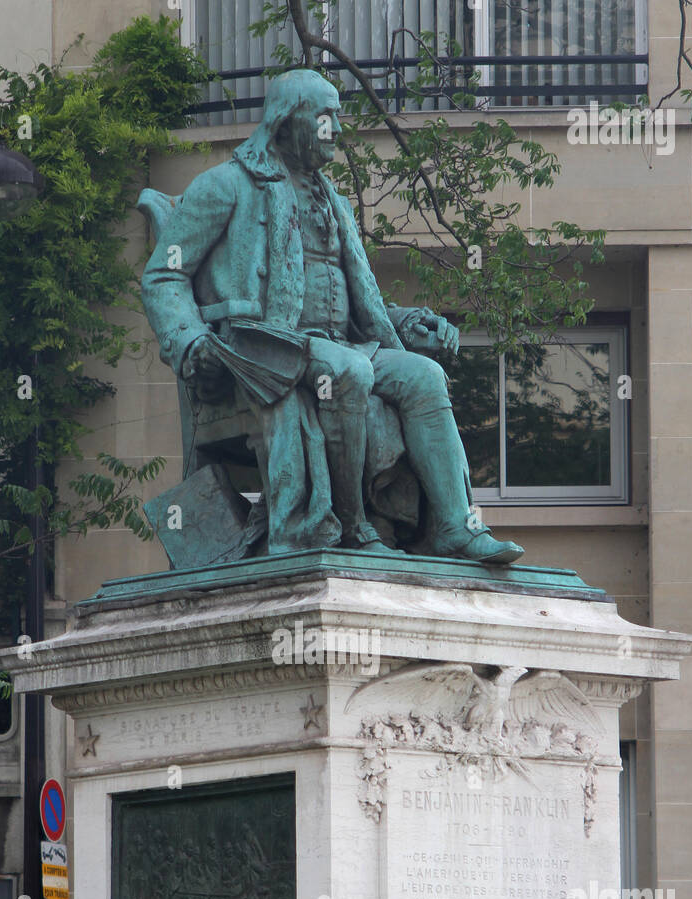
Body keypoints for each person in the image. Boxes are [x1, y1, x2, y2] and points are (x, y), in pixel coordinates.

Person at [140, 68, 523, 566]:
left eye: (337, 117)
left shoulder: (334, 201)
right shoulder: (226, 186)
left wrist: (405, 323)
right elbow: (164, 276)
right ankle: (351, 526)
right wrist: (190, 342)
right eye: (326, 117)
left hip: (344, 344)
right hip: (265, 348)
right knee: (350, 372)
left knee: (425, 376)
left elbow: (357, 299)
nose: (337, 129)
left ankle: (455, 527)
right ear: (286, 121)